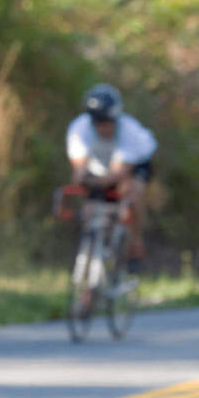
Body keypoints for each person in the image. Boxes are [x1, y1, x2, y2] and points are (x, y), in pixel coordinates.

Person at [66, 83, 157, 272]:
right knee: (91, 202)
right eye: (98, 122)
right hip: (102, 165)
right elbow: (79, 172)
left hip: (137, 162)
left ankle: (134, 242)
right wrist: (86, 181)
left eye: (107, 121)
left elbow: (119, 173)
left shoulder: (130, 132)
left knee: (130, 192)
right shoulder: (78, 130)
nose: (103, 127)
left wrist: (96, 182)